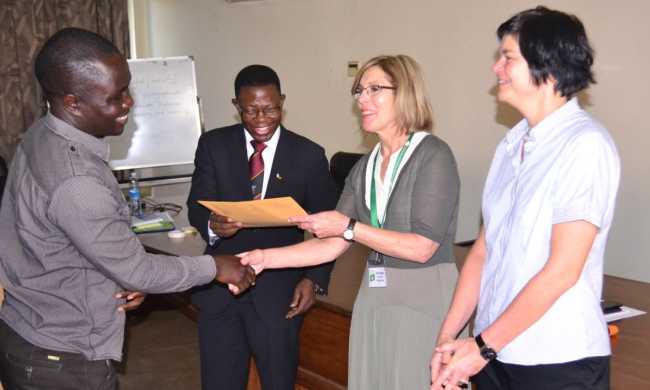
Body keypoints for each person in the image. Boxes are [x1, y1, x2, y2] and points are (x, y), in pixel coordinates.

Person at [0, 27, 255, 390]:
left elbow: (55, 243)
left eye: (127, 89)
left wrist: (115, 279)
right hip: (62, 360)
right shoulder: (77, 181)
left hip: (30, 330)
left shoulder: (41, 135)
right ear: (73, 103)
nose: (128, 103)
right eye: (115, 97)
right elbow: (139, 270)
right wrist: (215, 267)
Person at [239, 55, 462, 389]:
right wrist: (265, 259)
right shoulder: (365, 167)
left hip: (424, 297)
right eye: (359, 90)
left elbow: (422, 248)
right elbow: (332, 242)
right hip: (374, 298)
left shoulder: (433, 155)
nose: (361, 98)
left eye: (374, 89)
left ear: (406, 93)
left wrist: (348, 227)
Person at [430, 7, 620, 390]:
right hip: (495, 354)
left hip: (557, 361)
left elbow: (562, 271)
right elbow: (483, 252)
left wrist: (481, 347)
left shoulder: (585, 145)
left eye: (508, 58)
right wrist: (449, 337)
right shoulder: (511, 143)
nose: (496, 67)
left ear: (547, 65)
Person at [186, 64, 339, 390]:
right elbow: (197, 203)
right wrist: (212, 225)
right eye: (251, 111)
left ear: (282, 101)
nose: (261, 119)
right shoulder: (213, 145)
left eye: (270, 109)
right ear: (236, 106)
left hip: (279, 293)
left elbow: (330, 225)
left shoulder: (309, 155)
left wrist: (314, 279)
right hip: (220, 293)